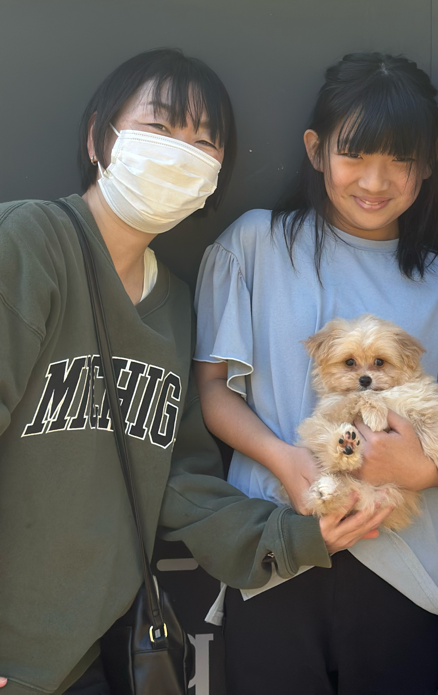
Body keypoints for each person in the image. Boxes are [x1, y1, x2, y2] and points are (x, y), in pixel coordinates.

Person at [0, 49, 337, 695]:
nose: (180, 153)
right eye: (159, 127)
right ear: (99, 137)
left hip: (93, 657)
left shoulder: (176, 304)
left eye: (203, 142)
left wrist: (303, 535)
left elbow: (179, 483)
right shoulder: (29, 242)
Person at [194, 52, 438, 695]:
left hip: (401, 568)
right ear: (316, 150)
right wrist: (287, 460)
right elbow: (213, 389)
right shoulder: (255, 245)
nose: (375, 180)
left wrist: (421, 468)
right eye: (355, 154)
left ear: (430, 161)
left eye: (401, 159)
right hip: (274, 549)